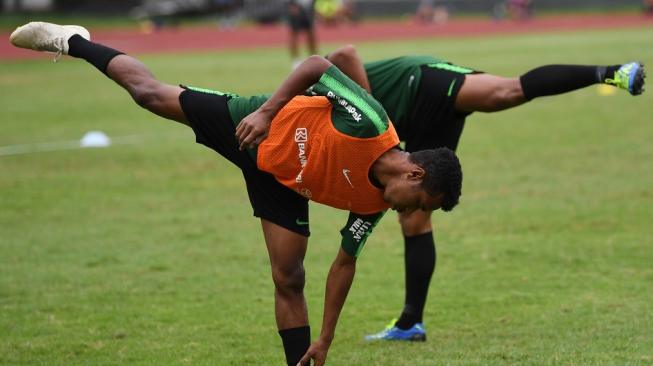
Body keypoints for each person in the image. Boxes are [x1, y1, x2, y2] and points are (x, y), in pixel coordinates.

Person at [9, 22, 463, 365]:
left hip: (281, 183)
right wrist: (266, 112)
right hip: (252, 125)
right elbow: (317, 65)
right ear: (416, 175)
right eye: (421, 205)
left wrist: (325, 339)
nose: (413, 214)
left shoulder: (375, 203)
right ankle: (74, 41)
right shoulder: (372, 122)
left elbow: (344, 264)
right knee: (147, 94)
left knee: (289, 278)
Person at [325, 45, 645, 341]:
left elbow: (343, 53)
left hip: (421, 83)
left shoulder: (323, 87)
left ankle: (611, 73)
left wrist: (372, 112)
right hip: (414, 125)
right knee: (414, 220)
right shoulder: (321, 118)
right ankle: (411, 323)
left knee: (507, 92)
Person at [287, 0, 318, 69]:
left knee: (311, 34)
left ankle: (314, 58)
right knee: (294, 34)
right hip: (296, 5)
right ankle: (296, 60)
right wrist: (291, 4)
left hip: (308, 6)